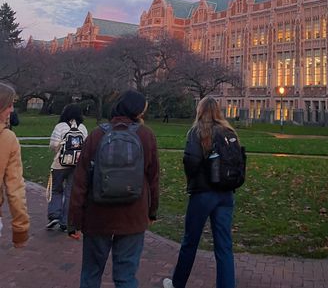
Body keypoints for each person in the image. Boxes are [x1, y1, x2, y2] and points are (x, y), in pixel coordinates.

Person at [69, 89, 159, 288]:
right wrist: (152, 212)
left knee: (91, 274)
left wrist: (74, 221)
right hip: (133, 214)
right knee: (126, 276)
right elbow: (153, 179)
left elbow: (80, 181)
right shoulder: (146, 136)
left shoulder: (96, 135)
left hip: (97, 216)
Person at [163, 96, 239, 288]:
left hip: (203, 194)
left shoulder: (197, 132)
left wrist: (193, 178)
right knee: (224, 246)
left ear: (200, 110)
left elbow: (191, 161)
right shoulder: (229, 132)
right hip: (226, 194)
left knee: (190, 242)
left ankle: (177, 284)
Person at [46, 103, 88, 233]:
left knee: (56, 190)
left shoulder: (60, 127)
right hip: (76, 165)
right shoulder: (83, 128)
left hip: (59, 164)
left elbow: (53, 145)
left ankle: (54, 215)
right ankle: (66, 220)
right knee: (70, 193)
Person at [0, 82, 30, 247]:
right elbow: (15, 188)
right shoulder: (8, 139)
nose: (12, 110)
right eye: (9, 105)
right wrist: (20, 229)